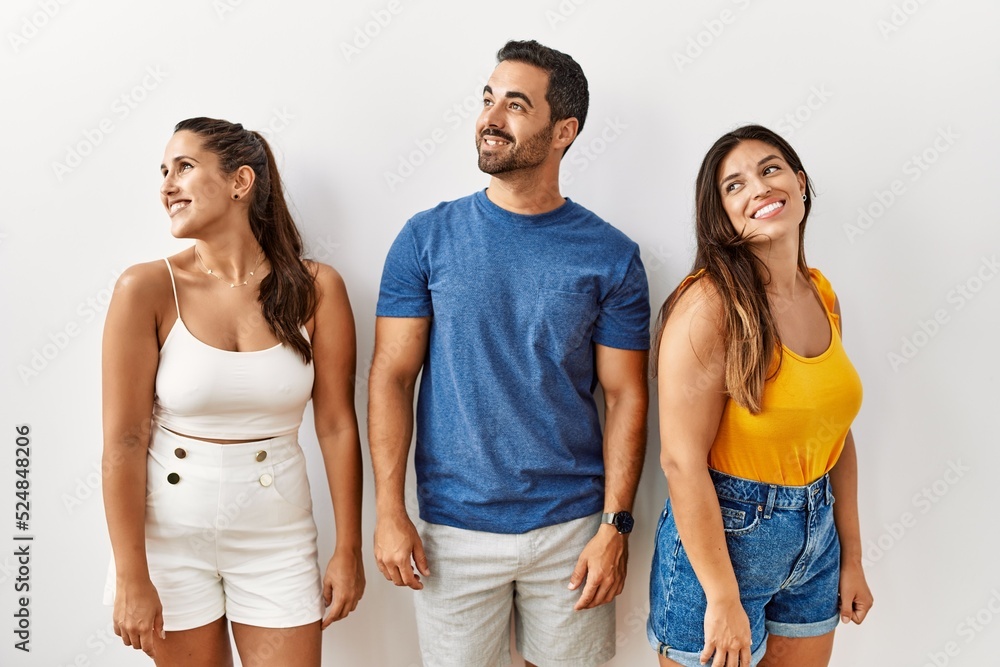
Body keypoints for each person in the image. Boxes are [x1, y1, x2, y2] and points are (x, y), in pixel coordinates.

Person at [369, 40, 650, 666]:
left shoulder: (611, 256)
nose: (490, 118)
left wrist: (615, 526)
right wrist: (389, 510)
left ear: (563, 131)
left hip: (573, 528)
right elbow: (392, 376)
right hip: (452, 531)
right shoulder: (425, 238)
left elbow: (627, 392)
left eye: (516, 105)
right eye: (488, 99)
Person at [101, 117, 365, 666]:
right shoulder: (146, 288)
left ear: (240, 182)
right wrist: (131, 575)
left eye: (185, 167)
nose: (167, 185)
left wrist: (349, 547)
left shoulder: (319, 289)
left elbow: (338, 424)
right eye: (163, 171)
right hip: (170, 538)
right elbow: (124, 441)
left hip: (279, 537)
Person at [647, 125, 873, 667]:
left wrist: (852, 557)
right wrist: (722, 598)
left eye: (769, 169)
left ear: (798, 183)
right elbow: (680, 462)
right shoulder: (708, 307)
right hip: (725, 545)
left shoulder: (821, 292)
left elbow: (836, 435)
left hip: (817, 539)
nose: (758, 188)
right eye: (734, 186)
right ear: (720, 215)